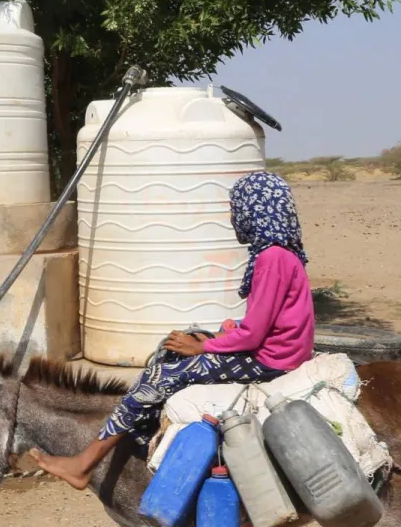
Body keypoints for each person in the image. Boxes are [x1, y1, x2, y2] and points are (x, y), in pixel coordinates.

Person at [34, 171, 314, 489]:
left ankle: (85, 463)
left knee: (160, 375)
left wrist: (203, 347)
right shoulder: (283, 252)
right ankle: (141, 437)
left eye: (237, 208)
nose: (234, 216)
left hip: (270, 361)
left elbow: (254, 335)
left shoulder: (270, 258)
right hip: (281, 350)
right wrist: (226, 331)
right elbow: (271, 320)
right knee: (181, 343)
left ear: (254, 211)